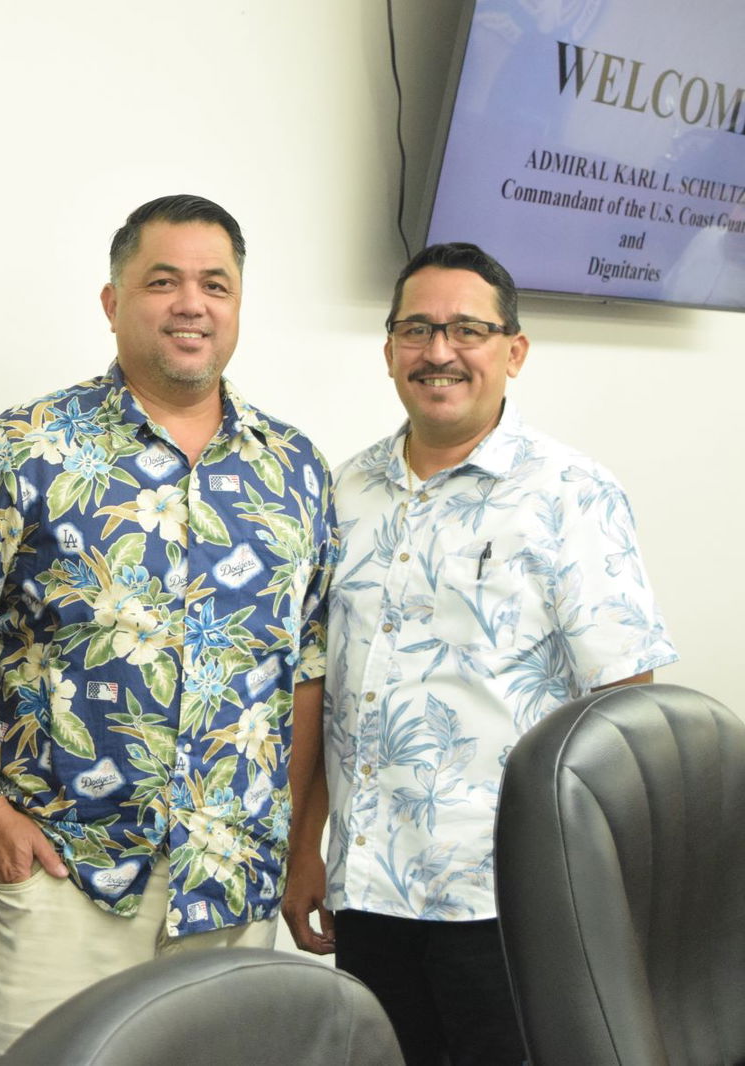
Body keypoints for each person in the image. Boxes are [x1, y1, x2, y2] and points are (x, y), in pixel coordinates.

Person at [0, 194, 337, 1065]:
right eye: (162, 281)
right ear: (112, 300)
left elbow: (304, 671)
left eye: (215, 284)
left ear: (239, 305)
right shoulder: (25, 448)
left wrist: (284, 842)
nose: (190, 304)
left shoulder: (296, 470)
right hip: (62, 879)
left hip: (230, 886)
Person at [282, 241, 679, 1066]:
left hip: (512, 894)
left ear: (514, 350)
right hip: (371, 888)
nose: (439, 352)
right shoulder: (343, 493)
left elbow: (624, 711)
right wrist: (302, 850)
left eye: (467, 329)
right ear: (389, 348)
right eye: (417, 329)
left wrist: (615, 895)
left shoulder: (573, 495)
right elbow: (331, 686)